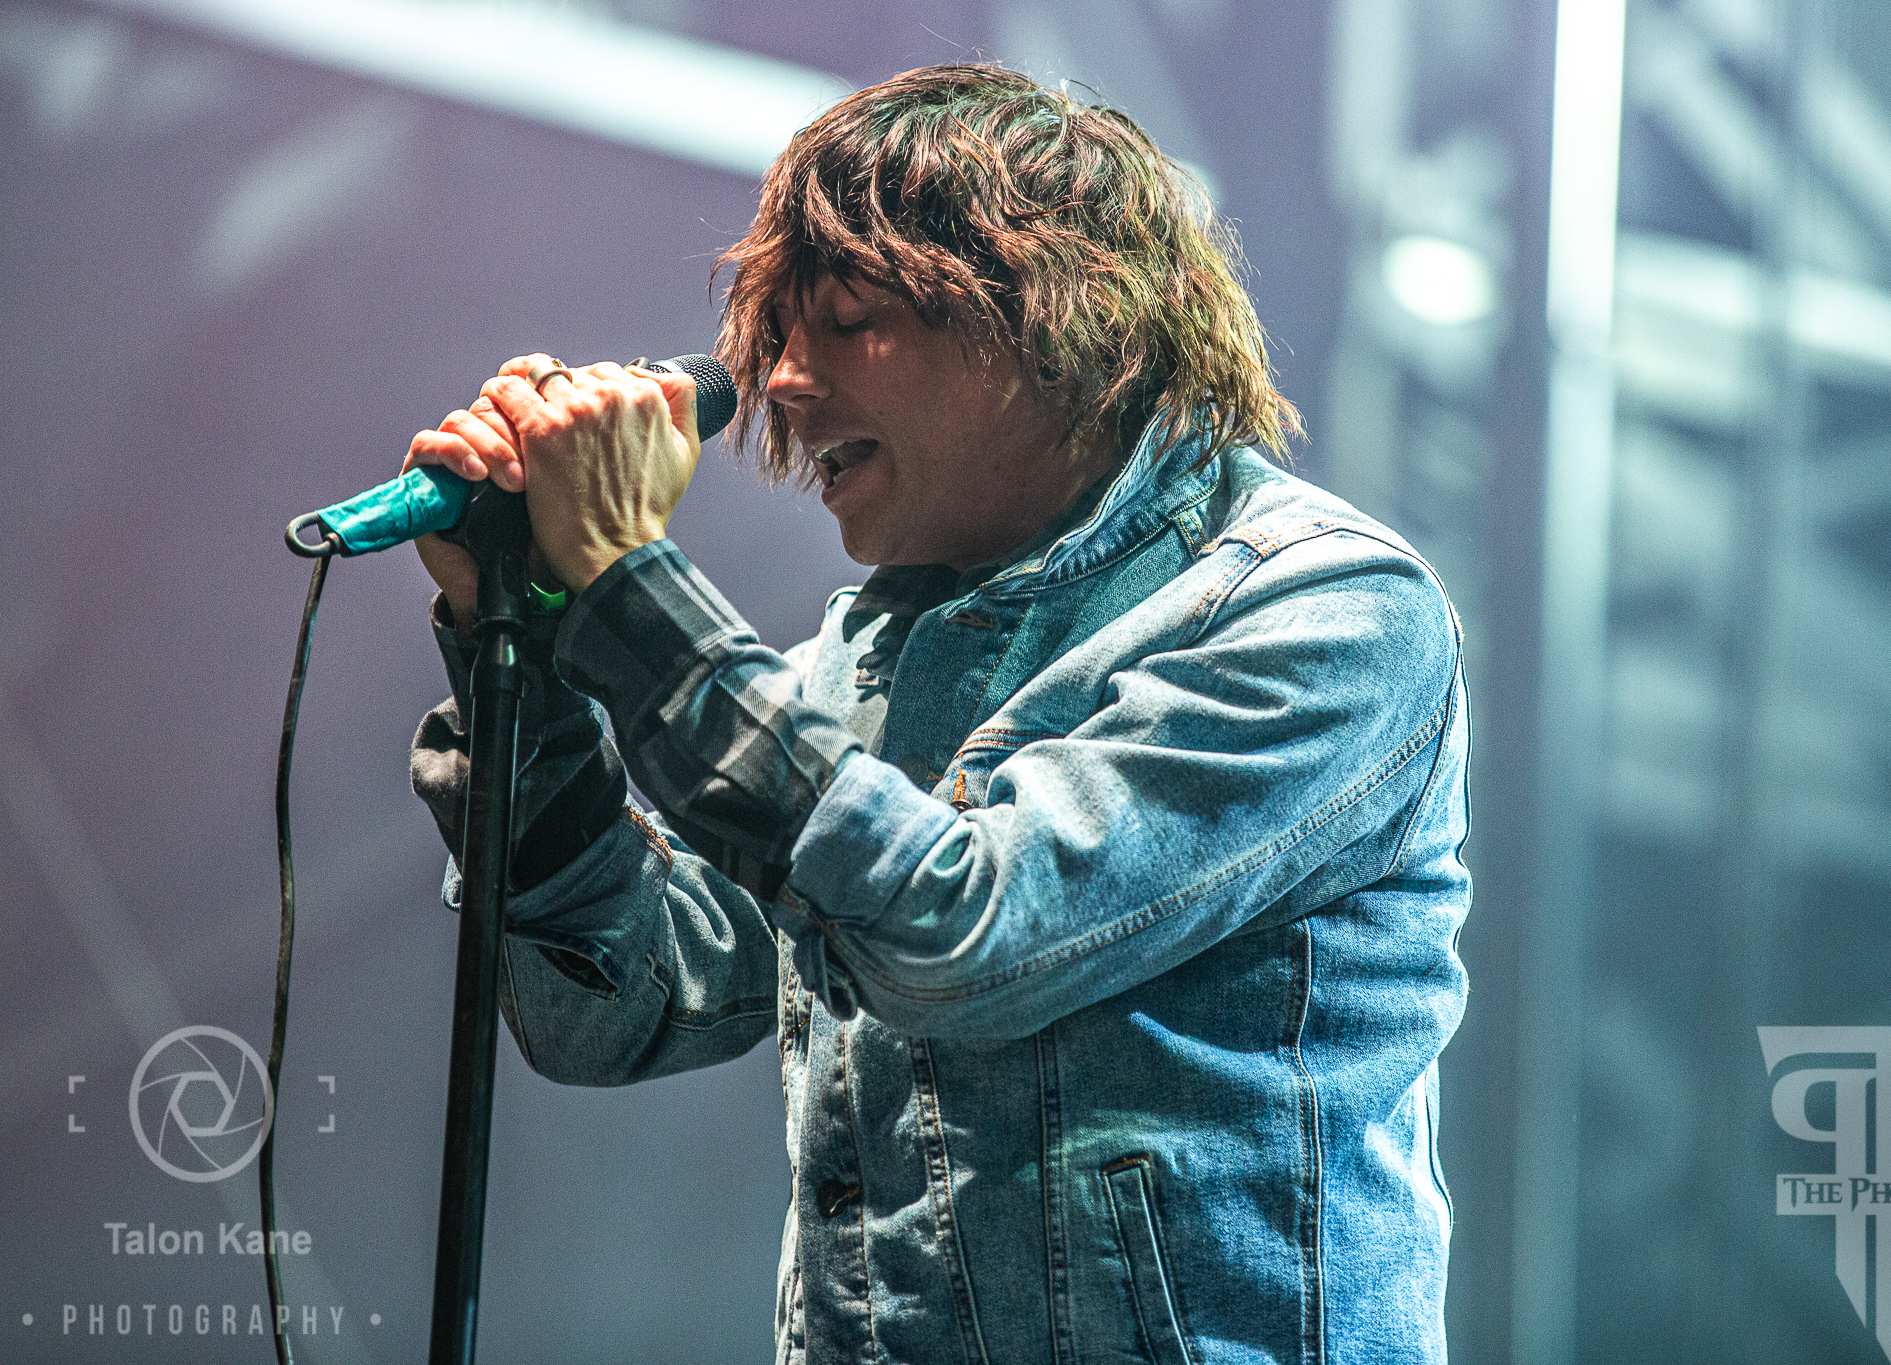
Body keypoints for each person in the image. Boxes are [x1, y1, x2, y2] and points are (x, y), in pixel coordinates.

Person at [406, 64, 1469, 1365]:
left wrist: (627, 580)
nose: (782, 384)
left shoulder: (1321, 611)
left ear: (1052, 313)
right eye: (777, 338)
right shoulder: (865, 658)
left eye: (847, 321)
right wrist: (521, 647)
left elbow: (971, 931)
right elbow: (618, 1006)